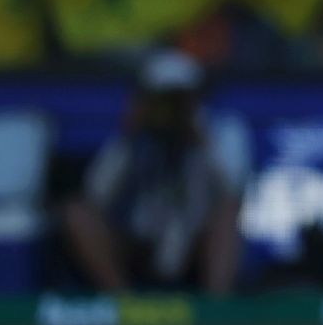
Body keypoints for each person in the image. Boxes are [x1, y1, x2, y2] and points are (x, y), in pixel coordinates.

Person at [58, 51, 247, 294]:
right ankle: (123, 302)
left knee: (228, 211)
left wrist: (199, 136)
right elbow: (96, 193)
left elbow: (233, 187)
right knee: (76, 212)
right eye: (162, 98)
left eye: (178, 99)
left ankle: (216, 308)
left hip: (192, 242)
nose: (170, 108)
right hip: (139, 241)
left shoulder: (221, 130)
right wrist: (129, 136)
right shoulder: (133, 138)